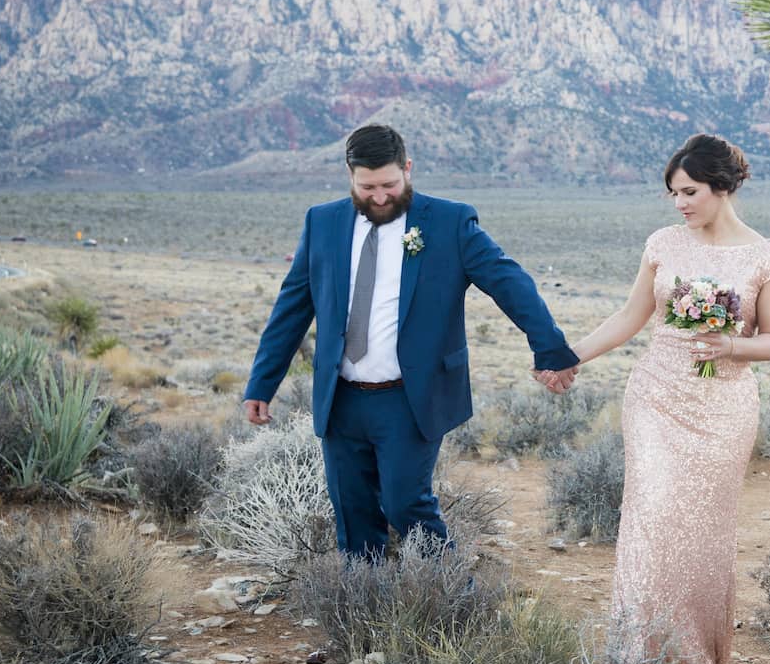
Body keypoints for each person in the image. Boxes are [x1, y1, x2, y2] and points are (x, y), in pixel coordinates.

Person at [242, 123, 579, 559]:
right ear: (349, 175)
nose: (379, 197)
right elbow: (291, 308)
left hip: (410, 397)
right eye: (367, 187)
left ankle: (459, 596)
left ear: (408, 169)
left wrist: (549, 347)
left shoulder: (450, 221)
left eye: (389, 184)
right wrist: (261, 384)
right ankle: (364, 611)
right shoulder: (321, 222)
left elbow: (509, 282)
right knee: (352, 514)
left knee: (406, 505)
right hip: (340, 397)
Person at [564, 134, 770, 664]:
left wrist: (729, 345)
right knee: (653, 514)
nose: (679, 203)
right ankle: (640, 651)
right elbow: (628, 317)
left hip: (723, 406)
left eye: (689, 191)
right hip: (656, 397)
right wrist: (567, 357)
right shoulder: (663, 243)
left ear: (722, 187)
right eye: (672, 193)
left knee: (704, 528)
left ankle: (691, 651)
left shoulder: (766, 258)